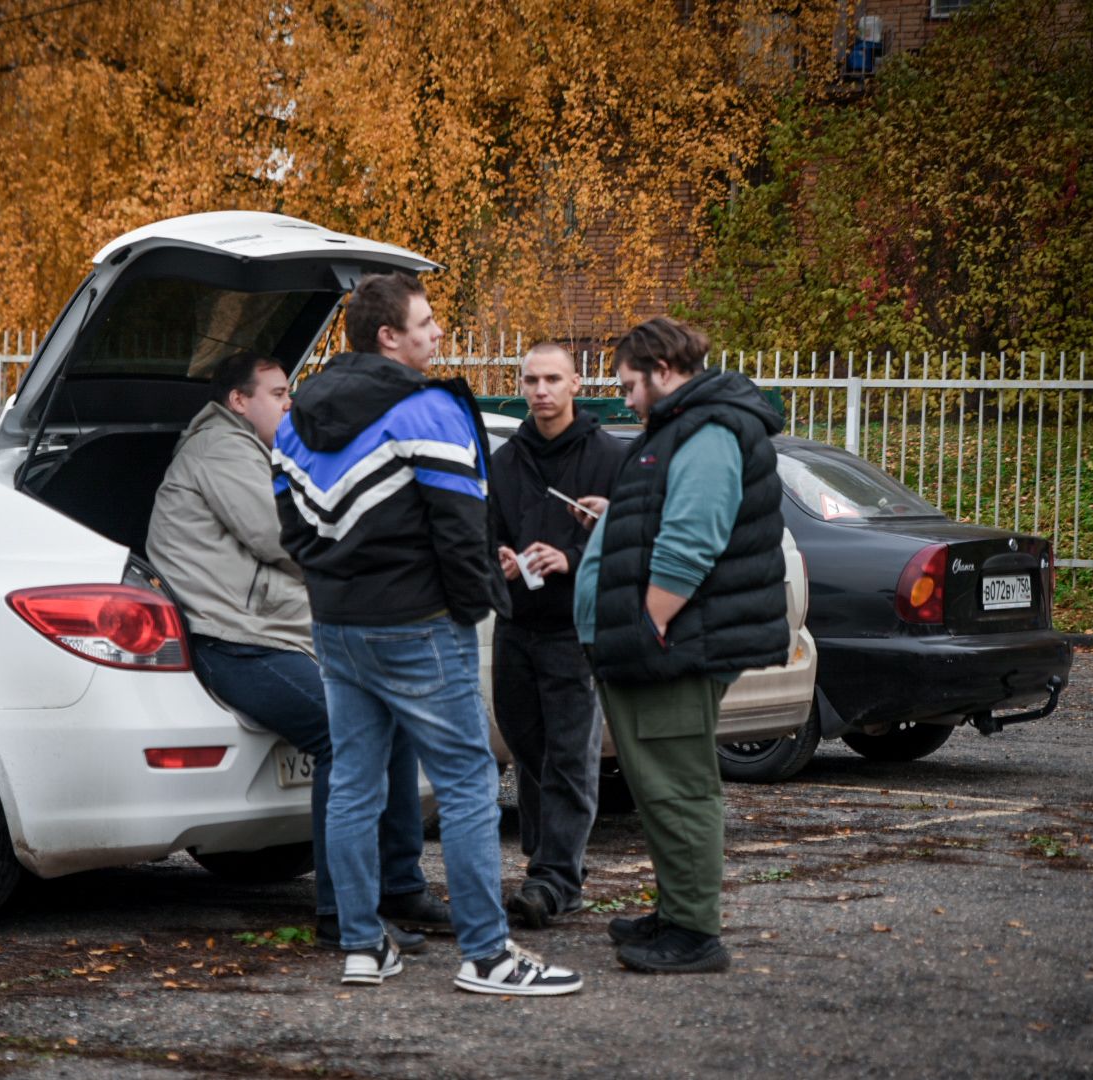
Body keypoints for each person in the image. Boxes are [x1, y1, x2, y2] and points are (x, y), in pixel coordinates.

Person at [273, 271, 582, 996]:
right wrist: (478, 599)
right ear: (389, 336)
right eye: (427, 321)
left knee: (352, 783)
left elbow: (293, 533)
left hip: (338, 625)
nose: (438, 332)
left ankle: (360, 944)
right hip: (418, 625)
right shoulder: (426, 409)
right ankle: (485, 955)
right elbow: (459, 528)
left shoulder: (294, 418)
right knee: (470, 782)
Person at [145, 351, 443, 954]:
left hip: (274, 632)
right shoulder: (219, 451)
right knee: (348, 735)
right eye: (279, 393)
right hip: (233, 642)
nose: (289, 403)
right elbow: (286, 534)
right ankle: (344, 914)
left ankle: (401, 884)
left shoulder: (257, 448)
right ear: (238, 400)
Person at [570, 316, 789, 975]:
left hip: (673, 644)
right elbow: (669, 515)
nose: (626, 398)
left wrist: (649, 623)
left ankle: (695, 933)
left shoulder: (708, 429)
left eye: (631, 384)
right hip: (664, 641)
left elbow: (694, 536)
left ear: (663, 372)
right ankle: (676, 909)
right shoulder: (682, 427)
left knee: (677, 786)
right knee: (656, 783)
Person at [489, 343, 627, 929]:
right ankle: (551, 864)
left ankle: (555, 878)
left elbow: (629, 540)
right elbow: (486, 529)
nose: (541, 390)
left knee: (571, 754)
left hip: (574, 627)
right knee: (527, 747)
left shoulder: (606, 457)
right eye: (531, 380)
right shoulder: (507, 460)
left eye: (553, 379)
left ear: (576, 383)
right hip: (515, 623)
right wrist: (497, 558)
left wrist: (571, 557)